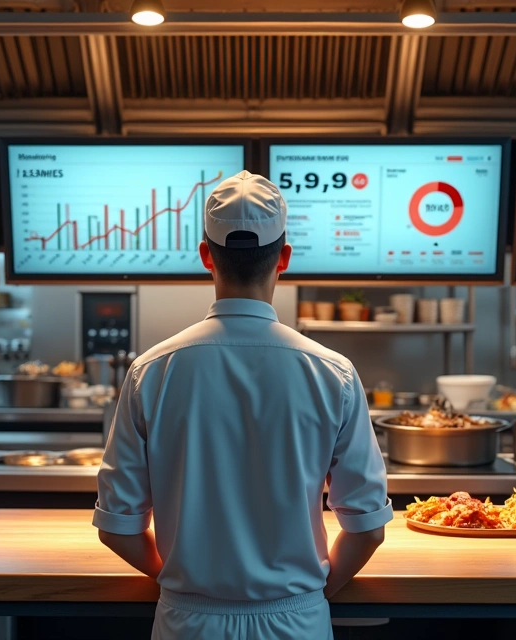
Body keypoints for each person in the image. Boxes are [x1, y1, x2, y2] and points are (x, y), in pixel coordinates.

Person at [94, 171, 391, 639]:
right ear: (284, 258)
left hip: (186, 623)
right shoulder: (334, 373)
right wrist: (310, 594)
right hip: (298, 622)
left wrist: (175, 580)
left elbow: (117, 527)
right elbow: (367, 528)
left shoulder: (150, 371)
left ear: (206, 256)